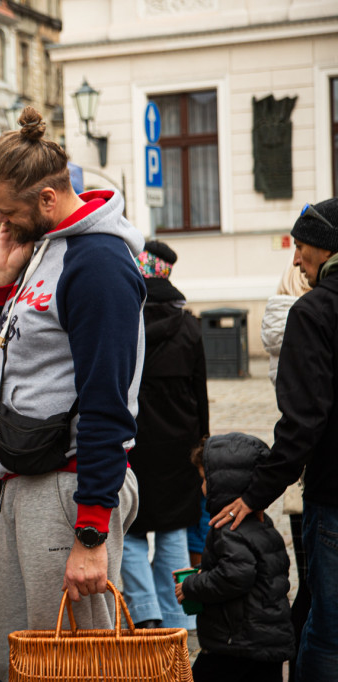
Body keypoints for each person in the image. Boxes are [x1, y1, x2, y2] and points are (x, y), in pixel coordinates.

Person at [0, 106, 142, 680]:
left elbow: (107, 401)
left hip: (67, 490)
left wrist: (91, 530)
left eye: (5, 211)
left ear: (46, 199)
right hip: (26, 486)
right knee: (20, 659)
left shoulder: (97, 262)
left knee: (73, 666)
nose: (0, 223)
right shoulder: (42, 248)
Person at [212, 198, 338, 680]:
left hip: (333, 497)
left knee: (327, 633)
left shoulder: (315, 311)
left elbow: (303, 420)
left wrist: (256, 492)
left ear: (325, 250)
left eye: (301, 247)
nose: (295, 259)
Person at [120, 240, 208, 631]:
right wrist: (202, 444)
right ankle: (181, 618)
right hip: (179, 451)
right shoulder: (189, 327)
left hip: (134, 445)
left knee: (132, 532)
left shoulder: (124, 324)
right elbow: (200, 395)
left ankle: (145, 615)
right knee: (174, 531)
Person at [177, 433, 294, 682]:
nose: (202, 487)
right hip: (265, 640)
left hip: (236, 644)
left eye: (205, 480)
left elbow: (236, 575)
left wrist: (192, 585)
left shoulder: (227, 531)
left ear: (224, 483)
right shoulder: (263, 523)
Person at [260, 261, 312, 678]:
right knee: (315, 591)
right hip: (309, 477)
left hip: (298, 481)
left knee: (309, 586)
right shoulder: (310, 322)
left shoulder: (284, 327)